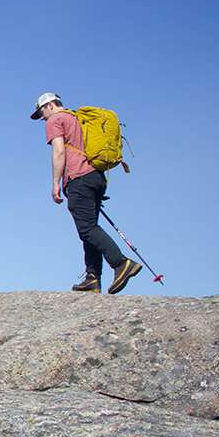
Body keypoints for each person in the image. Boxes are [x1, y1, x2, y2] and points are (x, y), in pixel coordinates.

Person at [30, 92, 142, 294]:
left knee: (87, 229)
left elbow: (59, 151)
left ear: (49, 105)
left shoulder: (55, 120)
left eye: (41, 112)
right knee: (89, 229)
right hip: (96, 177)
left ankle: (121, 263)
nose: (42, 117)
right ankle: (92, 277)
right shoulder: (77, 118)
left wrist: (55, 183)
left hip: (78, 178)